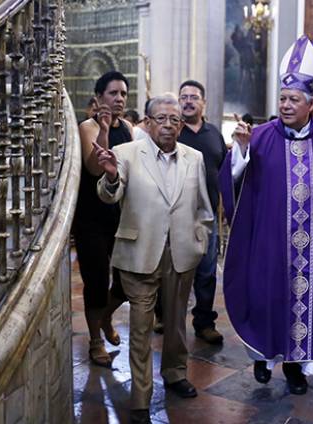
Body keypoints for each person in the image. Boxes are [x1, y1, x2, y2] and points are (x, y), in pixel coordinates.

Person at [219, 35, 313, 396]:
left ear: (311, 103)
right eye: (282, 98)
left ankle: (296, 368)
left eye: (293, 99)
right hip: (268, 242)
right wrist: (240, 150)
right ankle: (263, 358)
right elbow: (234, 178)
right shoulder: (261, 136)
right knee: (267, 299)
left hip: (310, 249)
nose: (285, 105)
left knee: (303, 301)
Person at [95, 94, 214, 424]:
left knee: (176, 323)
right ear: (147, 123)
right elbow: (109, 195)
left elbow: (204, 209)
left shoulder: (194, 157)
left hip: (181, 254)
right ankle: (140, 397)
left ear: (181, 124)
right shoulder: (126, 154)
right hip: (139, 252)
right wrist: (110, 176)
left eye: (174, 120)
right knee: (141, 327)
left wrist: (198, 243)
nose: (168, 125)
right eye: (160, 119)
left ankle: (175, 375)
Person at [74, 71, 132, 367]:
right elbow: (95, 169)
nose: (119, 98)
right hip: (90, 217)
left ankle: (107, 315)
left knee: (125, 282)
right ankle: (96, 341)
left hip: (119, 216)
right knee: (96, 282)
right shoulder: (87, 126)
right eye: (113, 93)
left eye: (123, 93)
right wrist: (104, 130)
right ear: (98, 98)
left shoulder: (130, 128)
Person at [177, 80, 228, 344]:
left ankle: (205, 322)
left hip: (207, 217)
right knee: (174, 272)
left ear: (203, 103)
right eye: (183, 96)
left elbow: (225, 171)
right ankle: (167, 319)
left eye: (193, 97)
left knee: (207, 272)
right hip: (177, 216)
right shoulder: (172, 132)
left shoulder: (213, 134)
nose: (187, 101)